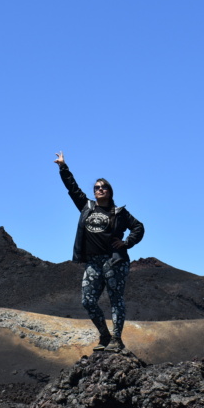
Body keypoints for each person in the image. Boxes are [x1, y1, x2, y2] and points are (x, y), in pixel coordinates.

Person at [54, 151, 144, 353]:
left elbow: (139, 227)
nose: (100, 189)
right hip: (93, 262)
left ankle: (117, 339)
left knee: (115, 300)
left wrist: (126, 243)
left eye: (103, 187)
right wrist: (63, 167)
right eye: (96, 187)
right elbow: (73, 189)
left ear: (110, 191)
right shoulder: (87, 207)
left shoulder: (119, 213)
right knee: (87, 301)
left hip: (114, 261)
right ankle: (104, 335)